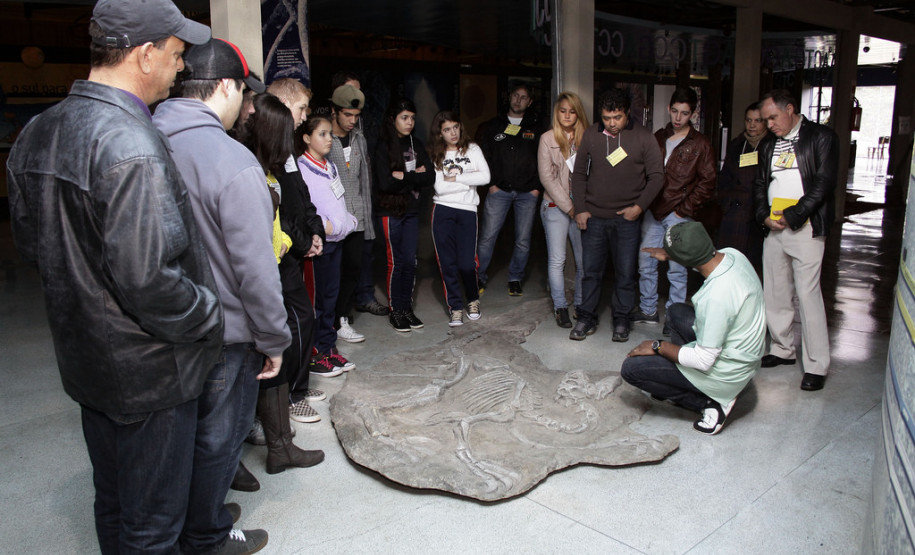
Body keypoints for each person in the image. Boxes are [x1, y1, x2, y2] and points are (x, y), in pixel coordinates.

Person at [7, 2, 226, 552]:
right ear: (145, 54)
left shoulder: (39, 130)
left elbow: (34, 244)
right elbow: (151, 280)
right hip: (150, 374)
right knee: (154, 525)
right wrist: (210, 312)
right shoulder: (131, 143)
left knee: (114, 502)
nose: (181, 70)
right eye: (177, 56)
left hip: (86, 360)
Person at [153, 37, 291, 554]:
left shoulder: (143, 138)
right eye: (247, 95)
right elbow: (254, 269)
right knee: (219, 437)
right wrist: (274, 338)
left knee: (178, 437)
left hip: (164, 326)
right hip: (227, 331)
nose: (250, 107)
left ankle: (198, 514)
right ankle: (206, 534)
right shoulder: (232, 161)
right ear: (228, 87)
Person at [237, 93, 326, 483]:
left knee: (283, 338)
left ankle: (280, 446)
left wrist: (303, 235)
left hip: (275, 265)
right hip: (260, 275)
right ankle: (273, 444)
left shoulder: (269, 168)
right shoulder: (249, 170)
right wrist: (289, 242)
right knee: (269, 348)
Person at [621, 222, 766, 435]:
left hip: (727, 373)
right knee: (677, 312)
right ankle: (679, 380)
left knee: (632, 369)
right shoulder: (733, 255)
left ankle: (710, 403)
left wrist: (657, 346)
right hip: (745, 352)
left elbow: (704, 360)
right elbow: (699, 258)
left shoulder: (716, 296)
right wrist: (672, 254)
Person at [753, 89, 837, 391]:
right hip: (774, 228)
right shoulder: (768, 144)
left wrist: (795, 214)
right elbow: (761, 183)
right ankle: (782, 349)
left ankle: (816, 365)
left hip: (806, 228)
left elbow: (823, 184)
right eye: (765, 120)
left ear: (790, 109)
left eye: (773, 118)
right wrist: (764, 215)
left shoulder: (822, 137)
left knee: (808, 294)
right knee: (775, 292)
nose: (769, 124)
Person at [569, 88, 664, 343]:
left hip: (627, 219)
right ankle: (586, 316)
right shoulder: (591, 134)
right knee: (591, 272)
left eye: (617, 118)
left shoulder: (643, 137)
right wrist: (580, 209)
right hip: (594, 217)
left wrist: (639, 207)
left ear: (628, 113)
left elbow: (657, 177)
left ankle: (621, 318)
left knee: (624, 272)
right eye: (607, 118)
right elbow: (578, 174)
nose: (611, 124)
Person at [634, 87, 716, 335]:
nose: (678, 118)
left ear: (693, 113)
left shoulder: (700, 144)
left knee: (677, 269)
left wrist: (684, 210)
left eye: (684, 113)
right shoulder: (659, 136)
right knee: (645, 261)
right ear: (669, 109)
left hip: (678, 213)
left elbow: (708, 181)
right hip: (654, 210)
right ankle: (648, 309)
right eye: (675, 111)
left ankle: (674, 318)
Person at [296, 115, 360, 375]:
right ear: (306, 138)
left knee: (331, 299)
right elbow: (304, 209)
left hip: (336, 242)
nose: (328, 139)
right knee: (318, 301)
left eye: (329, 135)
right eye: (321, 134)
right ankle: (316, 353)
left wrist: (347, 221)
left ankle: (329, 348)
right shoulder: (302, 167)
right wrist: (326, 226)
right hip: (318, 244)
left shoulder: (329, 165)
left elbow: (338, 200)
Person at [476, 83, 545, 296]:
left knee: (523, 239)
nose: (518, 100)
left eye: (524, 97)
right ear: (509, 97)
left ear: (530, 102)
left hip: (528, 193)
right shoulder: (492, 126)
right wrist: (492, 185)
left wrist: (536, 188)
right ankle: (477, 277)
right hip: (500, 190)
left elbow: (544, 159)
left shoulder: (537, 127)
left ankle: (515, 278)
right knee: (488, 237)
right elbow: (483, 157)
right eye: (515, 95)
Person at [373, 98, 435, 331]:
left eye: (412, 118)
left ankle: (406, 307)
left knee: (410, 261)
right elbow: (386, 182)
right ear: (393, 119)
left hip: (411, 210)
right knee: (395, 261)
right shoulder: (383, 146)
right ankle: (395, 310)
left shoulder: (416, 144)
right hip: (389, 210)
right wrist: (413, 178)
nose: (409, 123)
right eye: (404, 118)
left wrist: (404, 177)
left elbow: (429, 177)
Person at [429, 110, 491, 326]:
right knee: (448, 263)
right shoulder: (437, 154)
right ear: (440, 133)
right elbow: (439, 187)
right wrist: (468, 179)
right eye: (447, 129)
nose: (453, 133)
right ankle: (455, 306)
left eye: (455, 127)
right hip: (442, 210)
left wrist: (455, 176)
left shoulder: (472, 149)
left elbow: (485, 177)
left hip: (467, 210)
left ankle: (472, 299)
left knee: (466, 263)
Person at [327, 84, 376, 343]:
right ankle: (330, 321)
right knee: (332, 272)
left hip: (356, 217)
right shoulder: (324, 137)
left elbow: (364, 182)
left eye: (356, 116)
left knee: (353, 269)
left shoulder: (359, 138)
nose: (352, 121)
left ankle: (341, 318)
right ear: (334, 111)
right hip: (333, 220)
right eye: (347, 115)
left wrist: (367, 223)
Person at [537, 91, 588, 328]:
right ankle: (560, 307)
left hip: (582, 209)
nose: (567, 115)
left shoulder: (587, 138)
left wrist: (582, 207)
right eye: (562, 110)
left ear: (578, 113)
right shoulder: (548, 138)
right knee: (558, 260)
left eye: (572, 110)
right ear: (557, 113)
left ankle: (580, 305)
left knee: (583, 261)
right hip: (556, 206)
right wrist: (570, 208)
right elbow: (547, 178)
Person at [717, 102, 767, 272]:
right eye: (748, 120)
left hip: (758, 214)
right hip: (735, 211)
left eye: (757, 120)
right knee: (730, 262)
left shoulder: (771, 145)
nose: (752, 125)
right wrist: (726, 203)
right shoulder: (737, 144)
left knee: (754, 265)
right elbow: (724, 178)